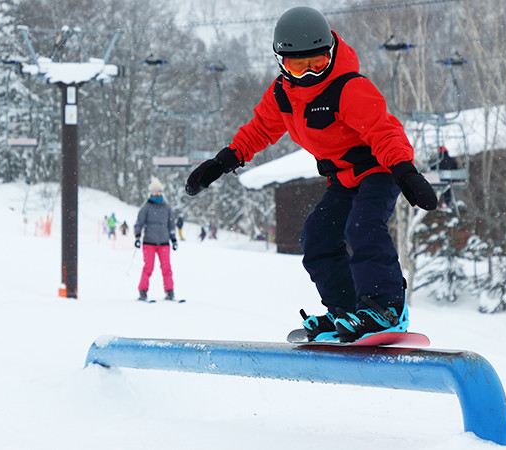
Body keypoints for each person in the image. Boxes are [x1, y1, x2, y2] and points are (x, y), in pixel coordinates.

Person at [185, 7, 437, 342]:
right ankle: (346, 311)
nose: (307, 75)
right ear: (281, 62)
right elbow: (259, 130)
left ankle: (386, 308)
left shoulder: (348, 88)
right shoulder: (283, 95)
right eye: (296, 66)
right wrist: (222, 161)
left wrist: (405, 171)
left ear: (331, 54)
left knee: (362, 226)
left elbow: (384, 132)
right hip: (343, 178)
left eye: (316, 64)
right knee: (317, 236)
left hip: (378, 169)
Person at [134, 178, 178, 301]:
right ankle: (143, 290)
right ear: (151, 192)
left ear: (161, 191)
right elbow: (139, 222)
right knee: (148, 267)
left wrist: (173, 239)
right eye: (154, 191)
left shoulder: (166, 207)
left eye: (158, 190)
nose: (156, 193)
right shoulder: (146, 207)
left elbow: (171, 225)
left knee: (166, 268)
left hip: (164, 242)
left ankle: (169, 290)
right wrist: (138, 236)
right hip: (149, 242)